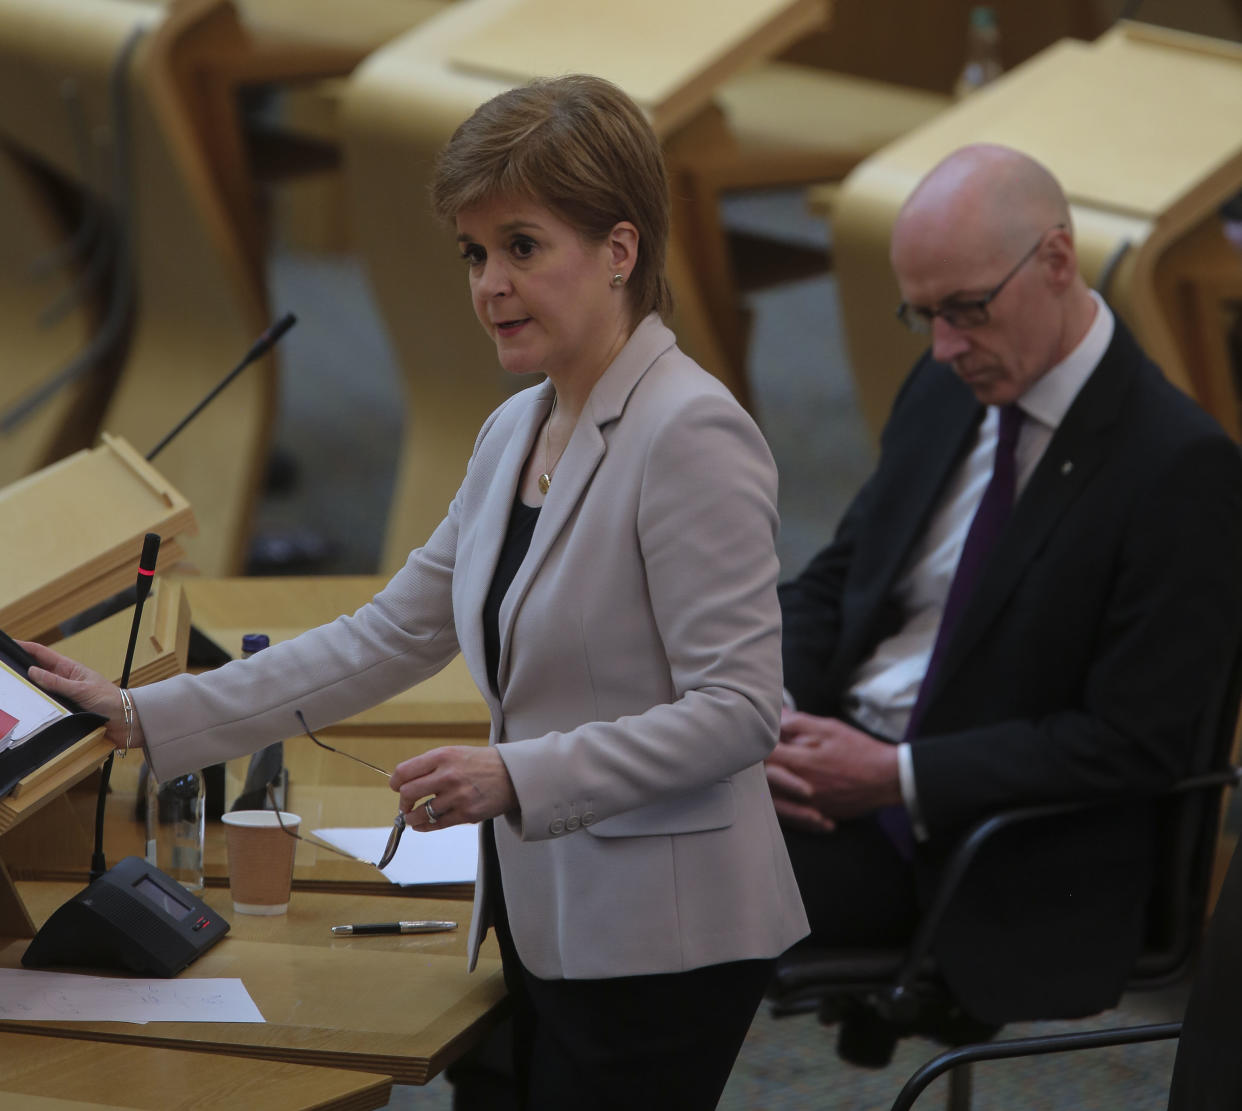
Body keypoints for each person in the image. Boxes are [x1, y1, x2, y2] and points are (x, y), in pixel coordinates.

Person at [25, 75, 808, 1108]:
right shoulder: (515, 429)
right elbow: (389, 634)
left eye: (523, 246)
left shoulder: (690, 436)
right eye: (475, 253)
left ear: (620, 250)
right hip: (545, 911)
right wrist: (139, 715)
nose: (489, 283)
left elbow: (739, 713)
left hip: (665, 938)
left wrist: (517, 776)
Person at [769, 143, 1242, 1040]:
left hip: (976, 843)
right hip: (827, 764)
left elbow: (1136, 745)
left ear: (1057, 261)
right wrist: (770, 711)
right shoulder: (951, 385)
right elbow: (838, 579)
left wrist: (891, 776)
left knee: (651, 887)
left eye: (967, 310)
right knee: (593, 818)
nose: (946, 345)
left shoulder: (1179, 467)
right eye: (924, 316)